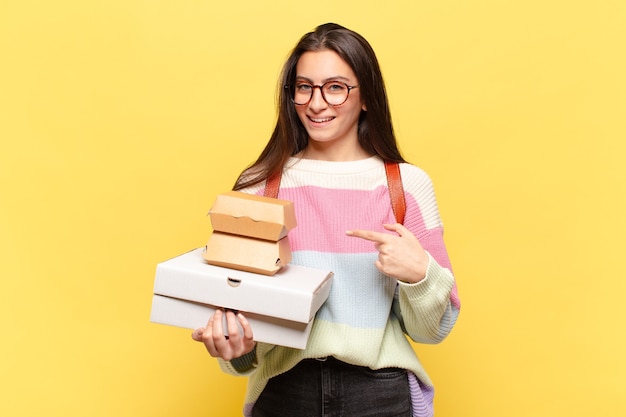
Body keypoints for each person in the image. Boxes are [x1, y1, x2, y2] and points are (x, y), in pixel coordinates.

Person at [191, 23, 461, 417]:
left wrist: (420, 275)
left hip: (380, 394)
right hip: (286, 391)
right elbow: (238, 327)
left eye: (335, 87)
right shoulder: (257, 188)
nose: (316, 103)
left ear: (366, 96)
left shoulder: (407, 186)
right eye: (304, 87)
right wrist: (236, 349)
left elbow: (435, 330)